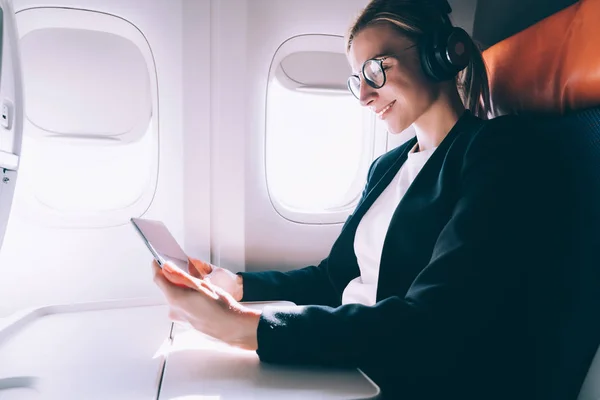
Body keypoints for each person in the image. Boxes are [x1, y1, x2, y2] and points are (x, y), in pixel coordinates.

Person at [152, 0, 564, 398]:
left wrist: (247, 327)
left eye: (374, 70)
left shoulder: (494, 150)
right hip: (351, 360)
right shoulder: (386, 167)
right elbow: (334, 278)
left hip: (404, 375)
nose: (364, 95)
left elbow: (433, 323)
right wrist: (238, 285)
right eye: (357, 79)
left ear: (438, 53)